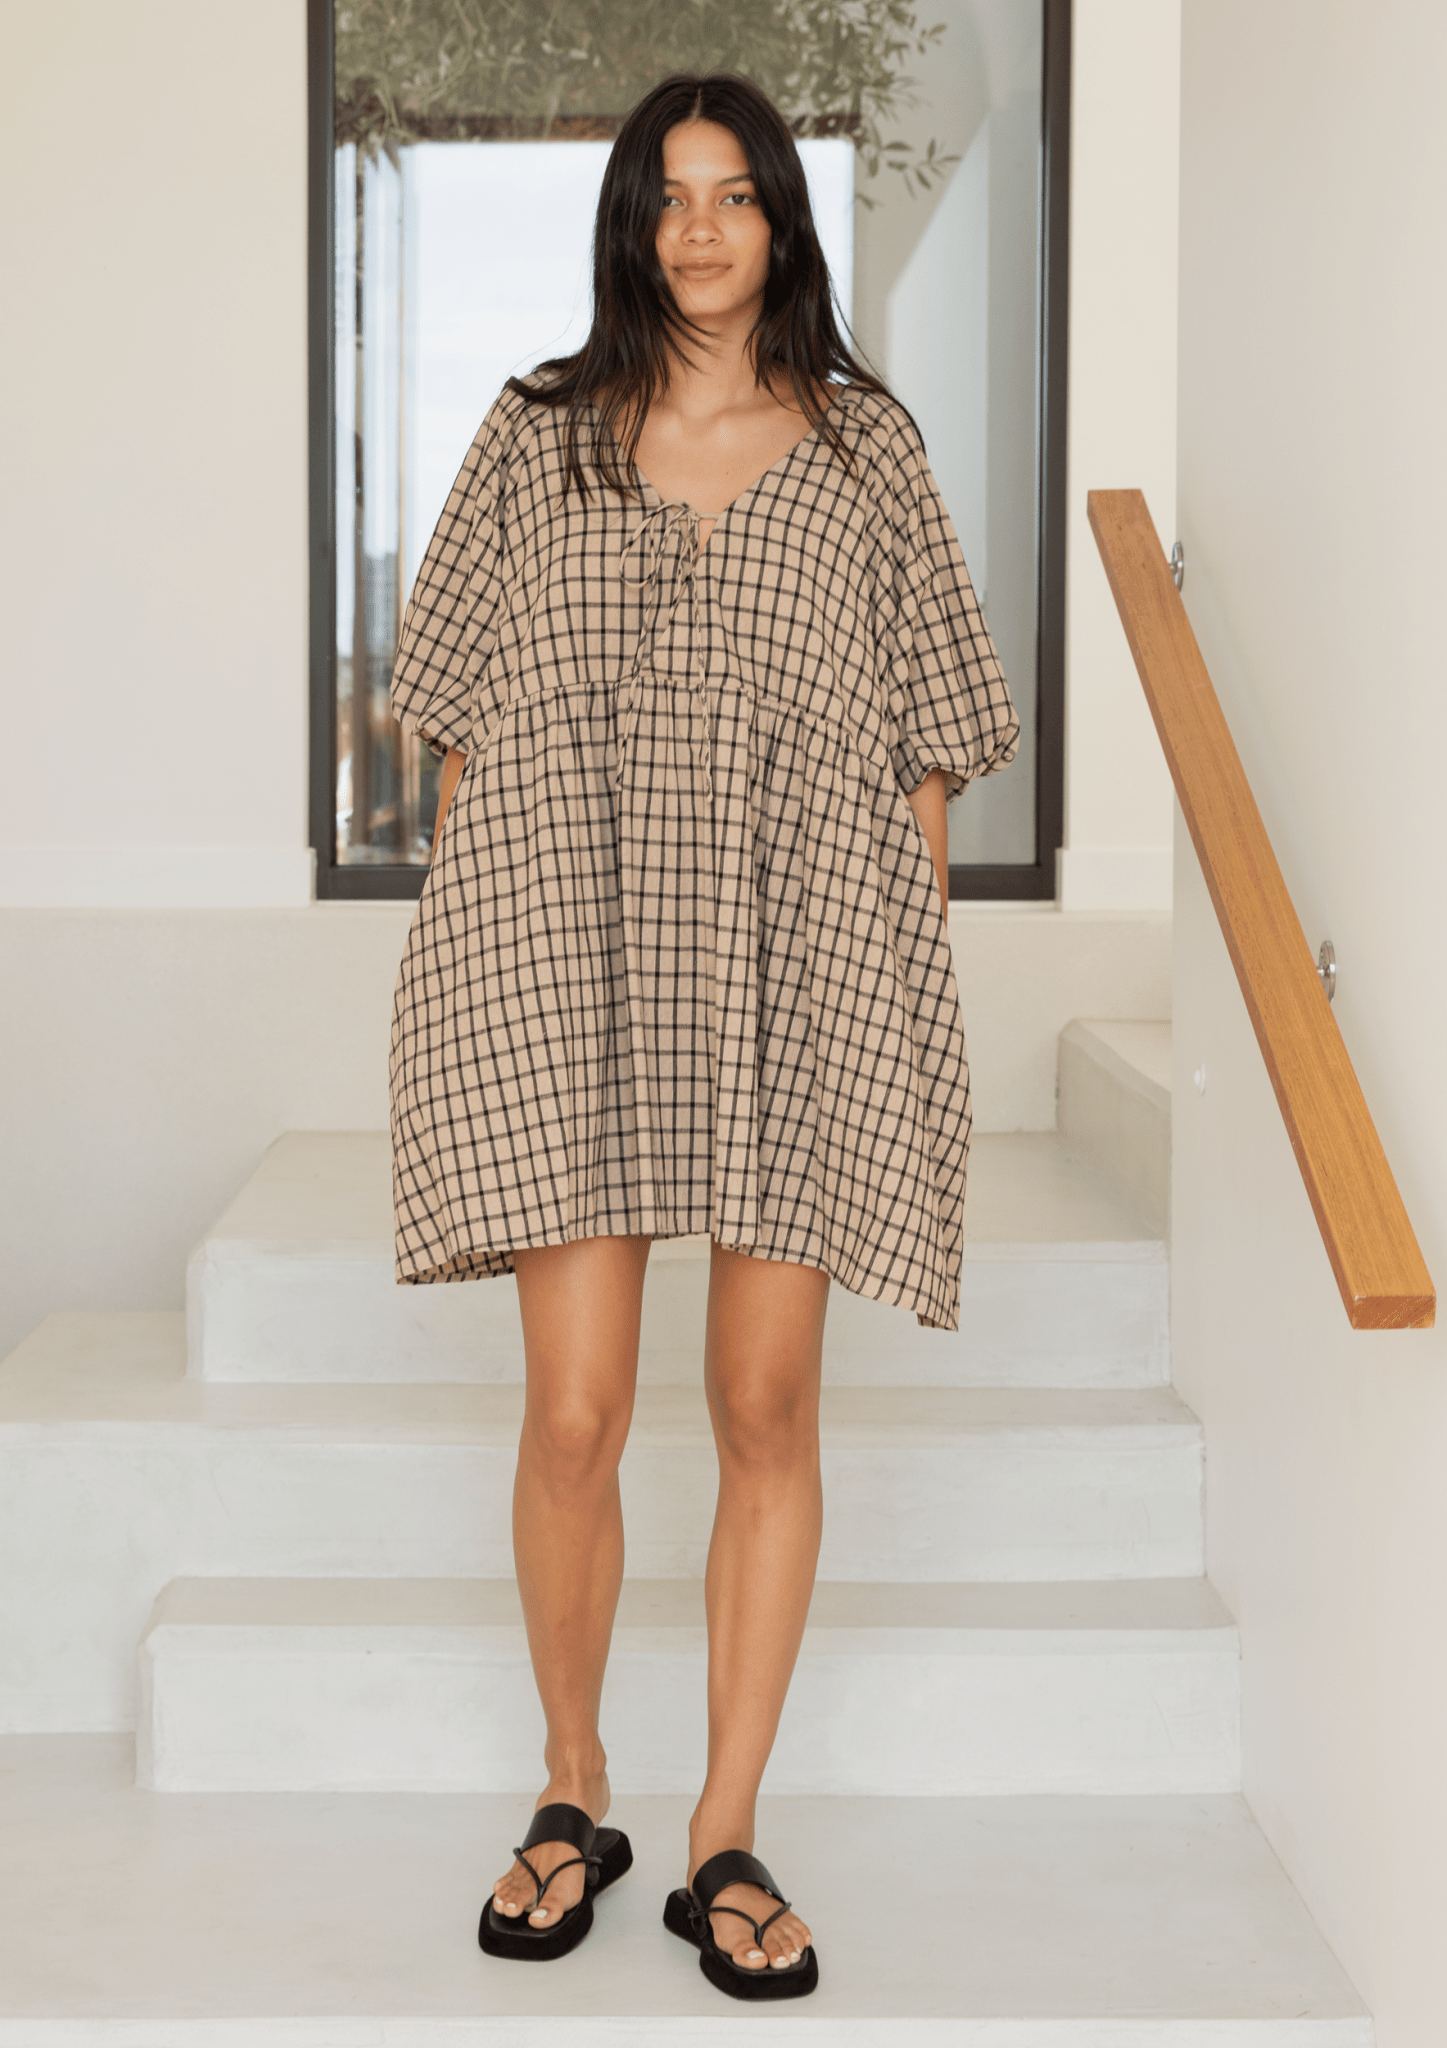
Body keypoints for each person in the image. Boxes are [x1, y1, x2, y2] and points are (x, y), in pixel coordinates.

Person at [385, 71, 1018, 2002]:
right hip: (565, 962)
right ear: (629, 223)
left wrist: (894, 976)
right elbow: (455, 725)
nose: (700, 228)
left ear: (780, 224)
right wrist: (476, 953)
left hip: (797, 971)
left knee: (761, 1406)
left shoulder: (864, 450)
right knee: (575, 1413)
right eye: (668, 196)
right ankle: (572, 1785)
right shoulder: (533, 437)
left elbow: (928, 749)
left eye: (735, 194)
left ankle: (723, 1825)